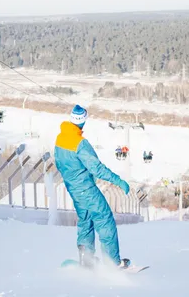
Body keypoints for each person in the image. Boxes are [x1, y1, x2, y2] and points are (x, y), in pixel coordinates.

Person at [54, 104, 131, 269]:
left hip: (73, 189)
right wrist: (117, 180)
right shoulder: (80, 143)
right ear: (83, 121)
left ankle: (86, 259)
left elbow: (60, 164)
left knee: (85, 221)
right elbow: (96, 168)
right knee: (105, 220)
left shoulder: (60, 139)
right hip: (86, 189)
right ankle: (113, 263)